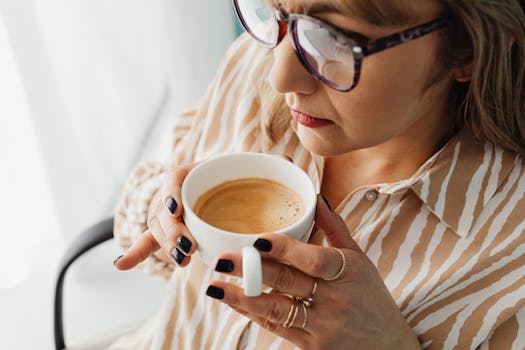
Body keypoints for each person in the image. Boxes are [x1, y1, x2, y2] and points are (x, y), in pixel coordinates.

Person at [111, 0, 525, 348]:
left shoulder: (510, 250)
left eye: (333, 40)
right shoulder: (251, 66)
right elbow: (150, 233)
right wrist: (166, 219)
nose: (280, 75)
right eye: (277, 13)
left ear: (467, 51)